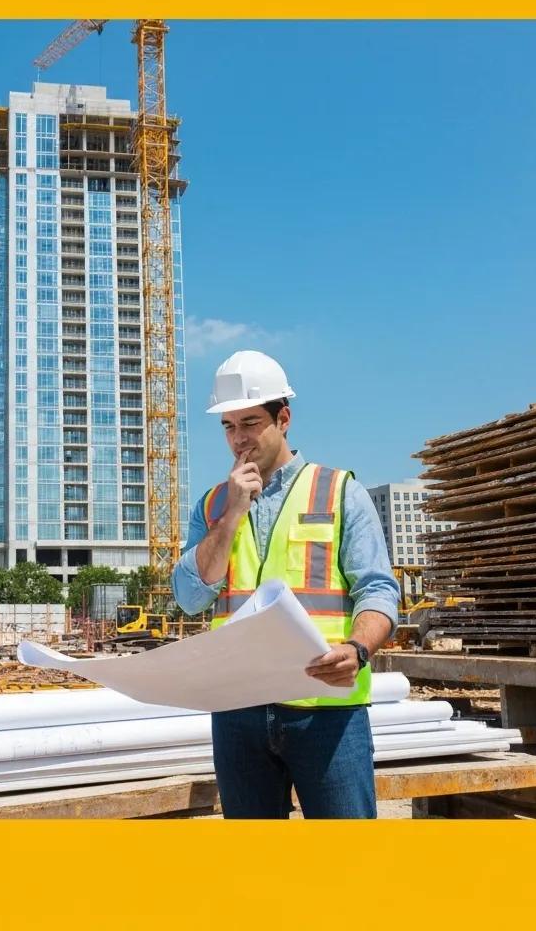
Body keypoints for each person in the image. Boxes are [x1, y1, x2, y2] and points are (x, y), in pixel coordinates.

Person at [172, 350, 400, 819]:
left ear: (284, 419)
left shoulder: (339, 491)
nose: (239, 439)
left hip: (325, 710)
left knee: (346, 865)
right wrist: (233, 512)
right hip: (239, 709)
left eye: (250, 423)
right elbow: (190, 597)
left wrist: (358, 649)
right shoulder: (213, 505)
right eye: (229, 426)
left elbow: (378, 589)